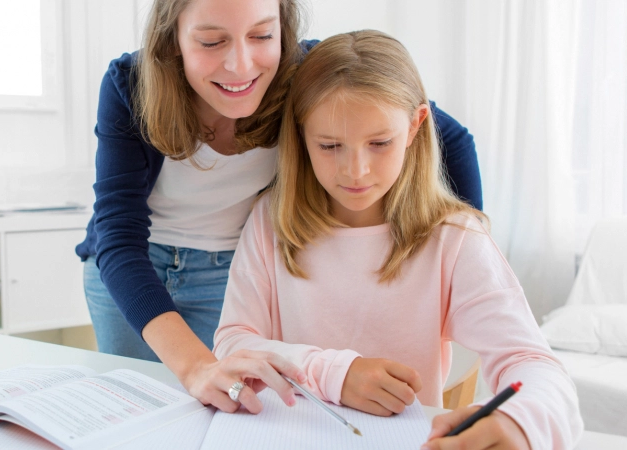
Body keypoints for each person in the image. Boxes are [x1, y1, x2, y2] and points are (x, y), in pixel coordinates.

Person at [75, 0, 482, 414]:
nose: (240, 64)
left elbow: (449, 139)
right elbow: (118, 237)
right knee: (134, 410)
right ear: (173, 39)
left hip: (229, 271)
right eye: (212, 41)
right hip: (131, 272)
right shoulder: (130, 85)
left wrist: (458, 257)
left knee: (227, 410)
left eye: (262, 35)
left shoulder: (304, 73)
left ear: (284, 30)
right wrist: (194, 366)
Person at [213, 30, 582, 448]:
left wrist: (522, 424)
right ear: (300, 135)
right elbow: (233, 343)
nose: (356, 171)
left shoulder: (454, 238)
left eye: (380, 143)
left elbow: (533, 364)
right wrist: (335, 374)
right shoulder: (269, 220)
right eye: (330, 145)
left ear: (414, 126)